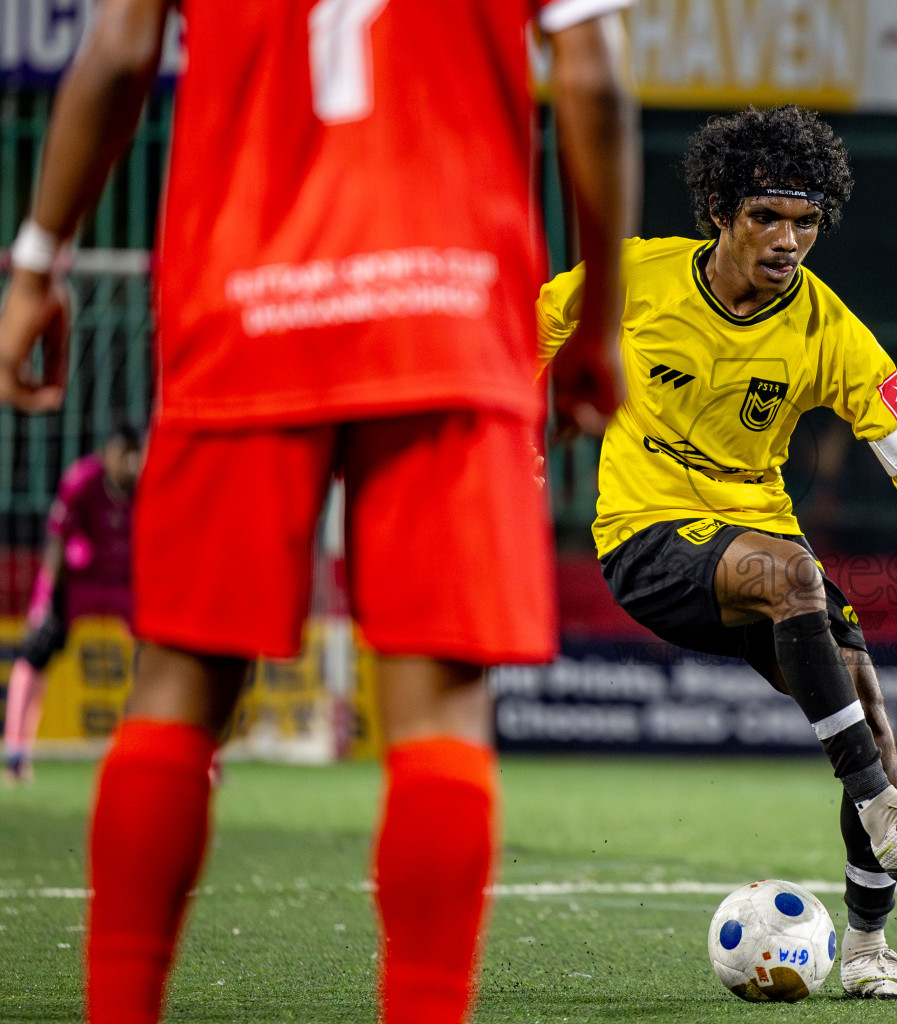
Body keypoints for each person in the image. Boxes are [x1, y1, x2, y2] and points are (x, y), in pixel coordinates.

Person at [0, 1, 636, 1022]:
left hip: (244, 303)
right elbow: (595, 78)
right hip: (447, 307)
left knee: (178, 687)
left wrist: (38, 260)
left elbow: (118, 50)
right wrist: (597, 319)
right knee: (438, 708)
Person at [537, 105, 897, 1001]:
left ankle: (869, 949)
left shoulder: (831, 332)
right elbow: (529, 328)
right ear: (719, 211)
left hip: (754, 538)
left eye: (806, 221)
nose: (788, 240)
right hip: (645, 536)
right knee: (793, 577)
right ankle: (884, 813)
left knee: (866, 705)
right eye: (766, 216)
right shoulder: (636, 276)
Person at [3, 424, 140, 785]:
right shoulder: (81, 480)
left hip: (125, 583)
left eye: (136, 455)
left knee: (165, 658)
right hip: (78, 582)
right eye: (124, 454)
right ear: (108, 454)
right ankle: (16, 752)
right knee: (35, 654)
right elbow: (57, 541)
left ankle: (172, 754)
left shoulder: (149, 485)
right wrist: (47, 601)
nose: (131, 463)